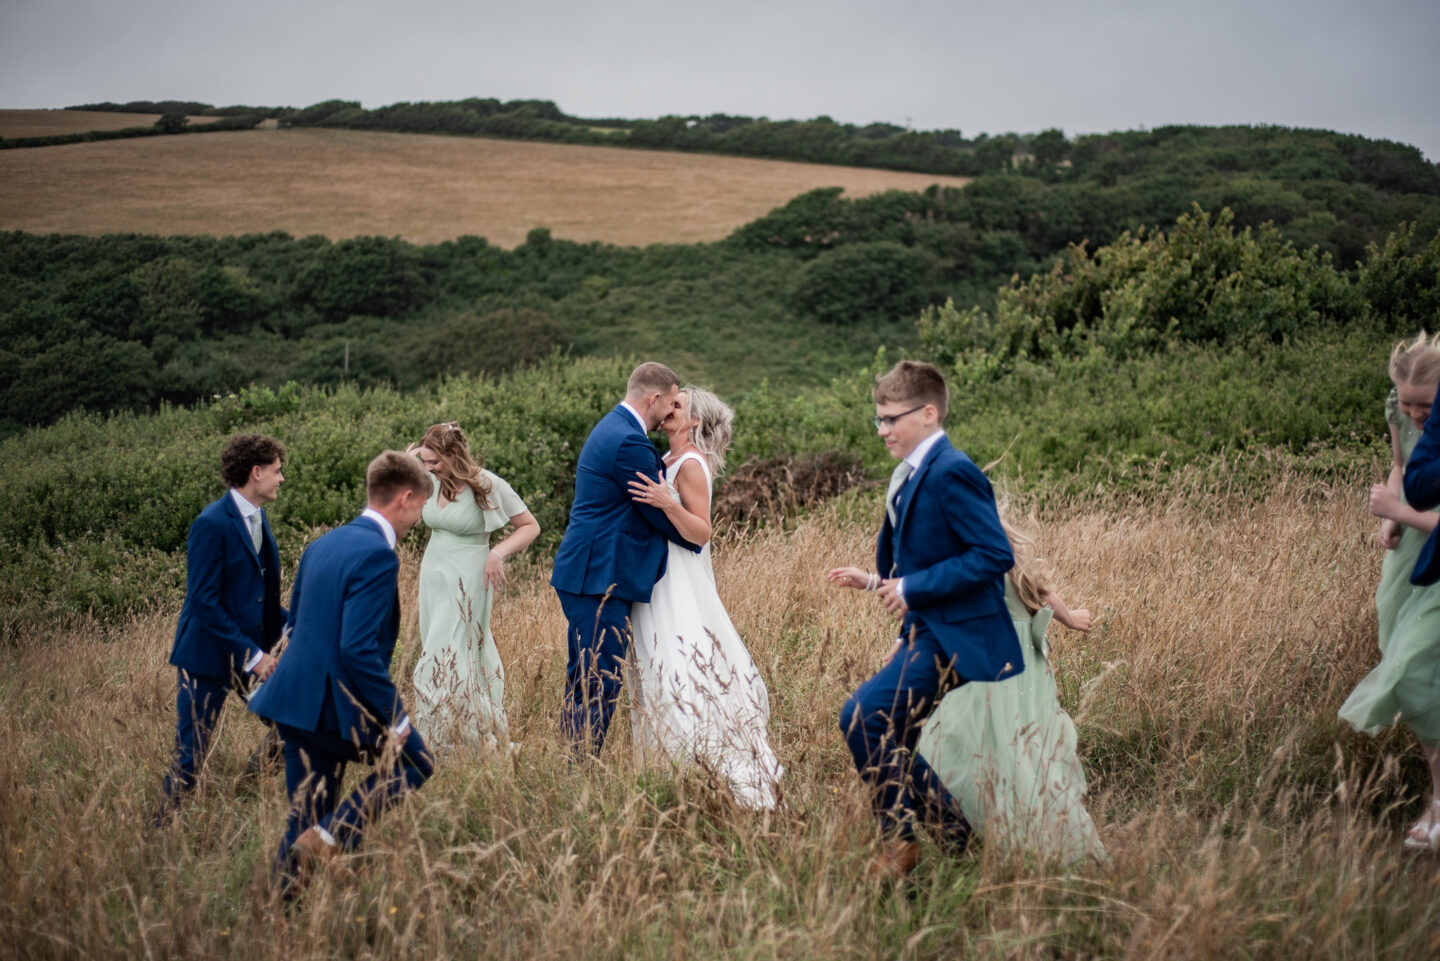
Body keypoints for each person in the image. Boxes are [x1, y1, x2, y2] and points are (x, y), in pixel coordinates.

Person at [826, 359, 1023, 880]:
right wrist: (903, 623)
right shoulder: (914, 473)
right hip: (928, 630)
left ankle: (900, 843)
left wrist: (911, 590)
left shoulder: (952, 470)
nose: (882, 429)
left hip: (958, 634)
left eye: (892, 418)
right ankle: (960, 841)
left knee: (862, 716)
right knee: (897, 739)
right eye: (879, 419)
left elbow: (993, 554)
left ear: (929, 413)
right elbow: (919, 561)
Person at [248, 451, 434, 894]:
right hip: (330, 706)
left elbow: (296, 624)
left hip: (294, 702)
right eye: (421, 507)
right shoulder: (378, 555)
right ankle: (331, 837)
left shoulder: (322, 544)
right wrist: (396, 717)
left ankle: (280, 909)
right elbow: (357, 649)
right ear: (405, 498)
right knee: (418, 762)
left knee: (303, 819)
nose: (419, 519)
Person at [911, 508, 1105, 865]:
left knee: (990, 742)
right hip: (1023, 668)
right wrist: (1071, 618)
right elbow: (1045, 596)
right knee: (1016, 743)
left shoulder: (968, 566)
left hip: (993, 666)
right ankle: (1003, 828)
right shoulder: (1005, 561)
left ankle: (1003, 831)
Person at [627, 387, 782, 808]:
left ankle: (709, 763)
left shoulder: (692, 464)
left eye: (677, 406)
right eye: (669, 403)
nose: (668, 409)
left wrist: (667, 502)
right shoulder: (667, 458)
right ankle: (669, 771)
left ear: (694, 420)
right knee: (657, 661)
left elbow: (701, 532)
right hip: (658, 572)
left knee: (680, 660)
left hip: (678, 576)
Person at [550, 362, 702, 755]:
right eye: (669, 403)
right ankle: (579, 766)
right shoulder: (629, 442)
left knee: (585, 676)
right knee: (600, 679)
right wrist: (695, 537)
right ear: (654, 398)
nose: (669, 412)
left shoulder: (615, 427)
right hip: (597, 575)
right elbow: (655, 511)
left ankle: (572, 761)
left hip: (592, 572)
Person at [154, 433, 286, 828]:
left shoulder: (259, 517)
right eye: (277, 471)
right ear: (256, 472)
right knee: (190, 756)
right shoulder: (210, 523)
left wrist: (302, 623)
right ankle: (159, 833)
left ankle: (246, 790)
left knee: (293, 726)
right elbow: (203, 603)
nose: (281, 479)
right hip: (207, 659)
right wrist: (254, 656)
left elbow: (260, 600)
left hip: (249, 655)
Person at [1344, 332, 1440, 850]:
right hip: (1410, 560)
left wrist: (1398, 510)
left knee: (1414, 670)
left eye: (1425, 405)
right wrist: (1391, 521)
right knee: (1412, 678)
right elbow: (1401, 468)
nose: (1415, 414)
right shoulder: (1398, 412)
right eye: (1407, 404)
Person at [409, 422, 539, 751]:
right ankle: (443, 736)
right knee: (436, 649)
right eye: (425, 462)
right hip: (433, 578)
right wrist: (409, 462)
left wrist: (498, 553)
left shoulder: (486, 483)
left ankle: (467, 737)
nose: (429, 468)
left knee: (452, 653)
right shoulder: (431, 479)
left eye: (434, 462)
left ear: (453, 454)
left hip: (467, 579)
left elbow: (530, 526)